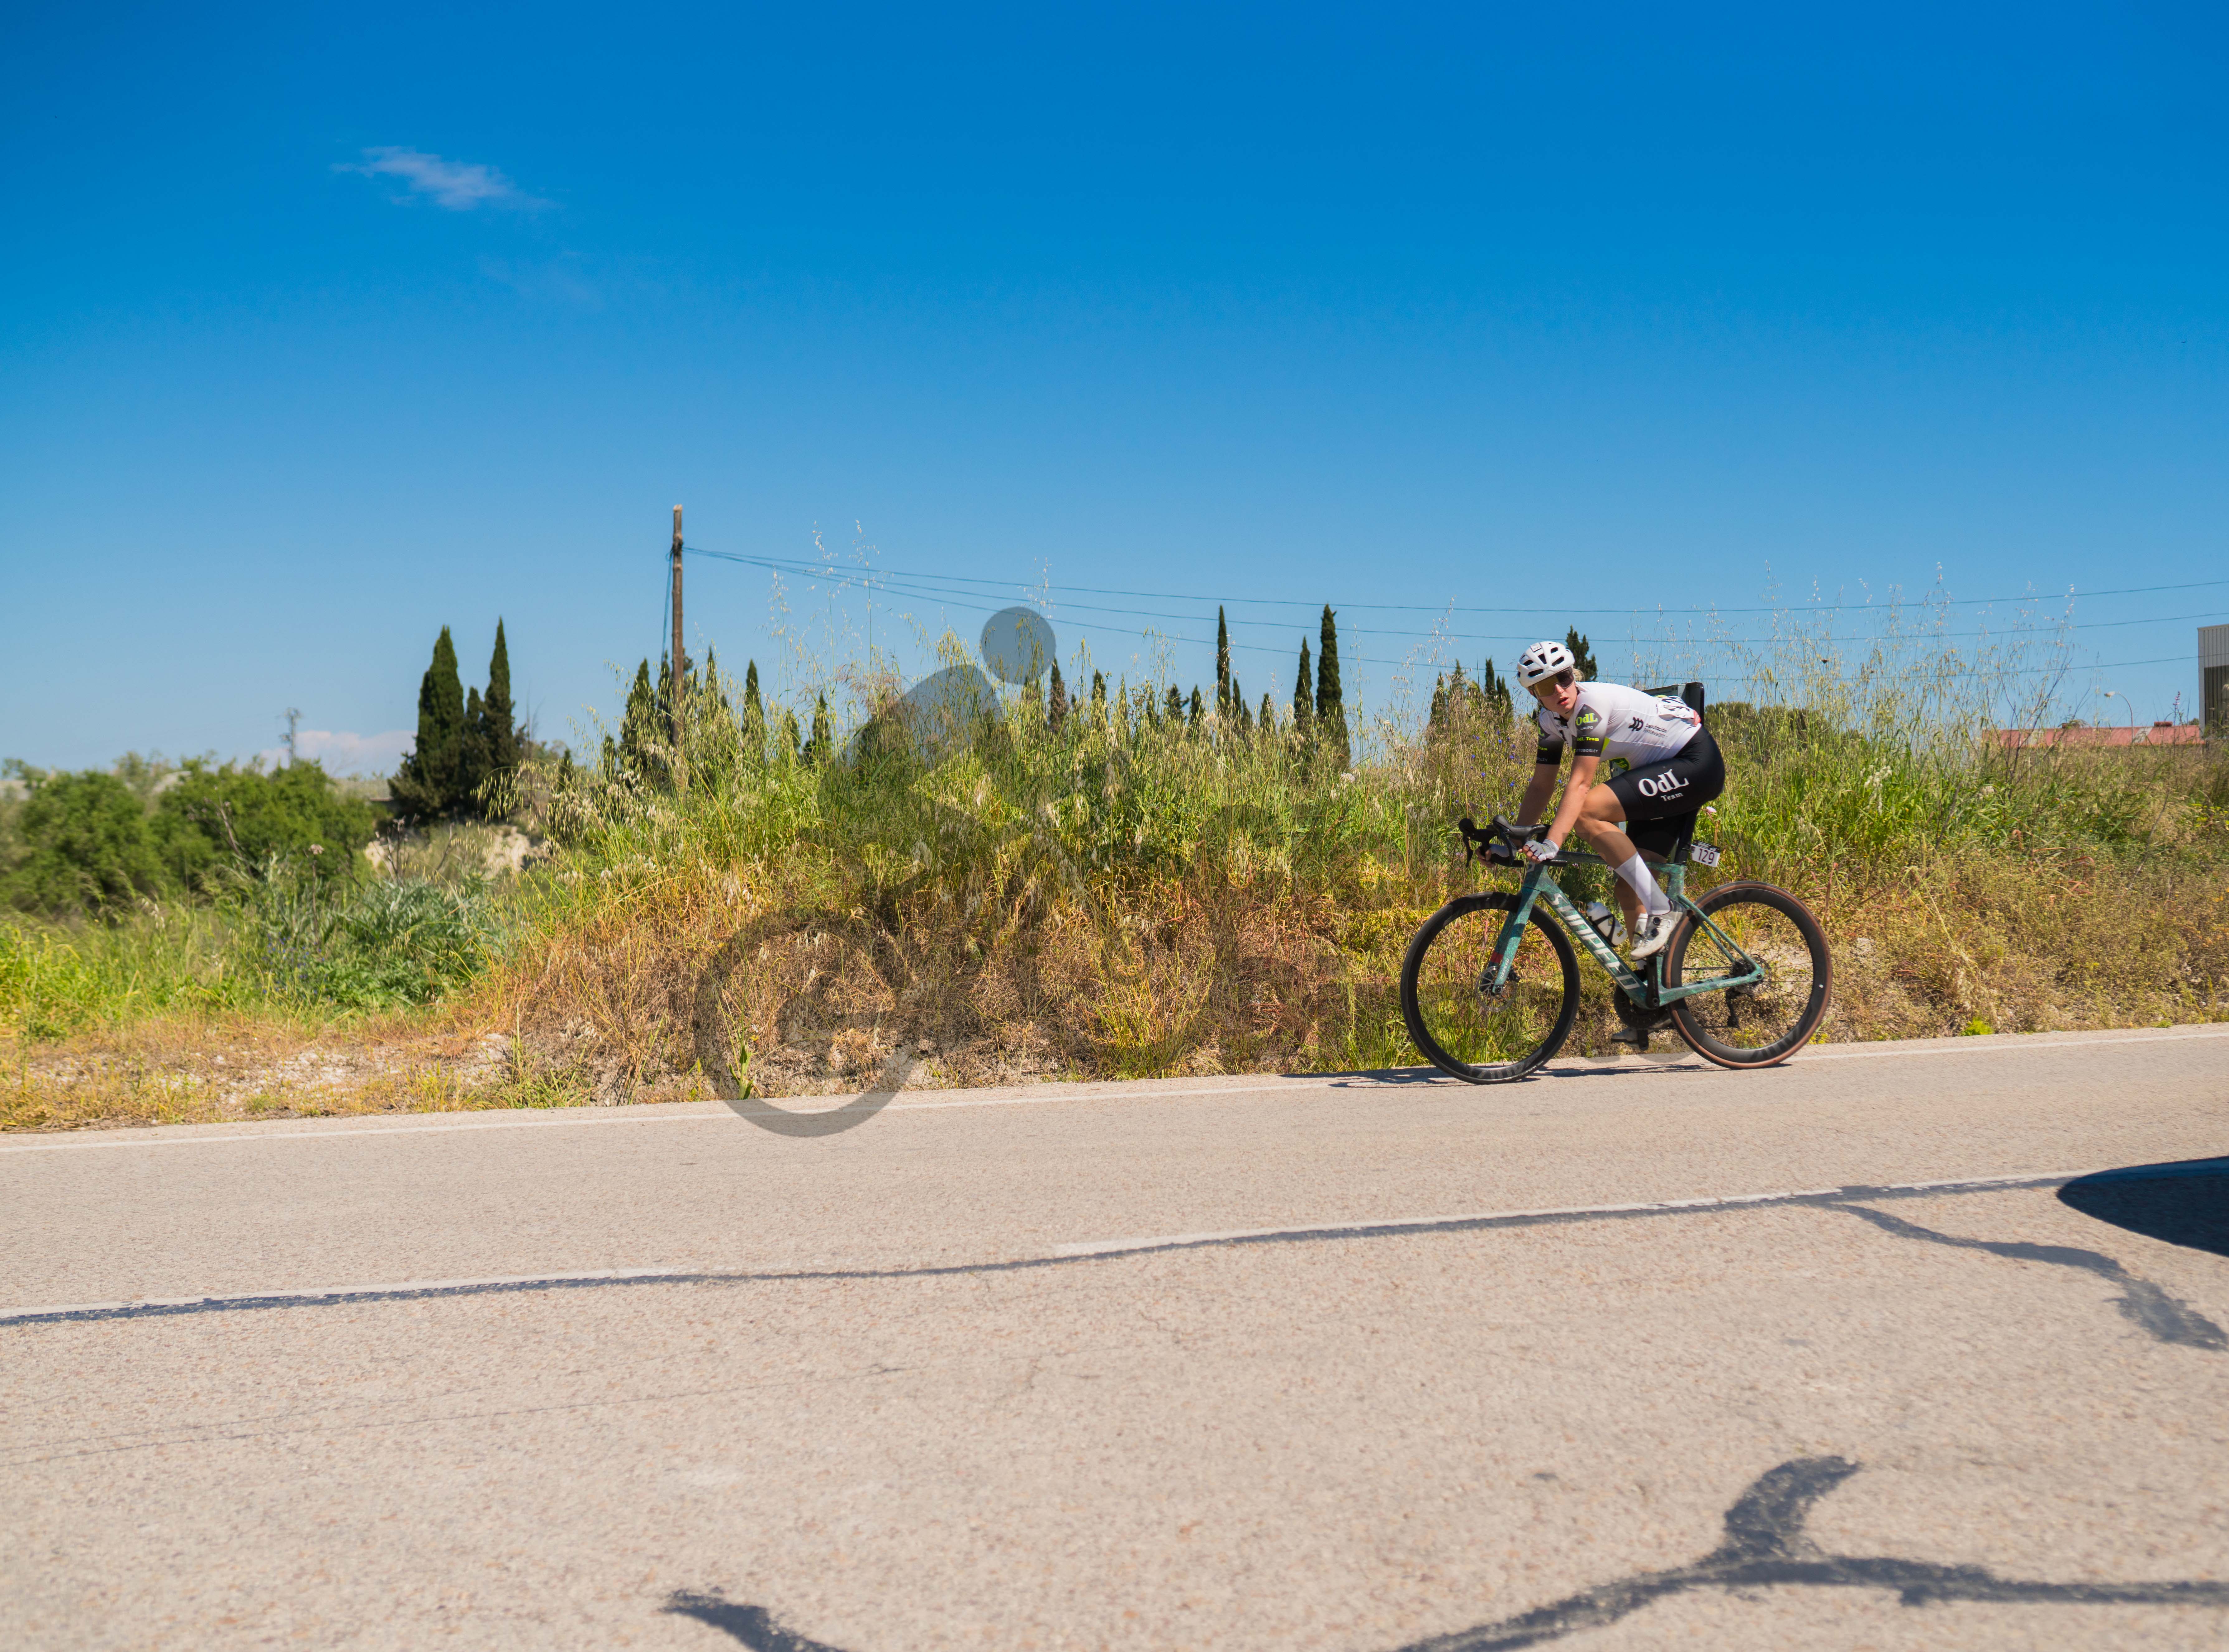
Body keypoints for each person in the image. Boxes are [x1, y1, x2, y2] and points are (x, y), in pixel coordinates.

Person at [1511, 639, 1724, 966]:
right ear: (1533, 694)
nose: (1559, 690)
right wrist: (1516, 839)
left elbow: (1581, 784)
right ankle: (1651, 984)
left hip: (1694, 762)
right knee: (1629, 889)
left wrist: (1553, 842)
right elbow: (1541, 785)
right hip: (1658, 773)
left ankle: (1664, 910)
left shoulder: (1590, 707)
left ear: (1573, 675)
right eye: (1544, 685)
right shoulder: (1549, 723)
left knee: (1586, 812)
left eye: (1564, 677)